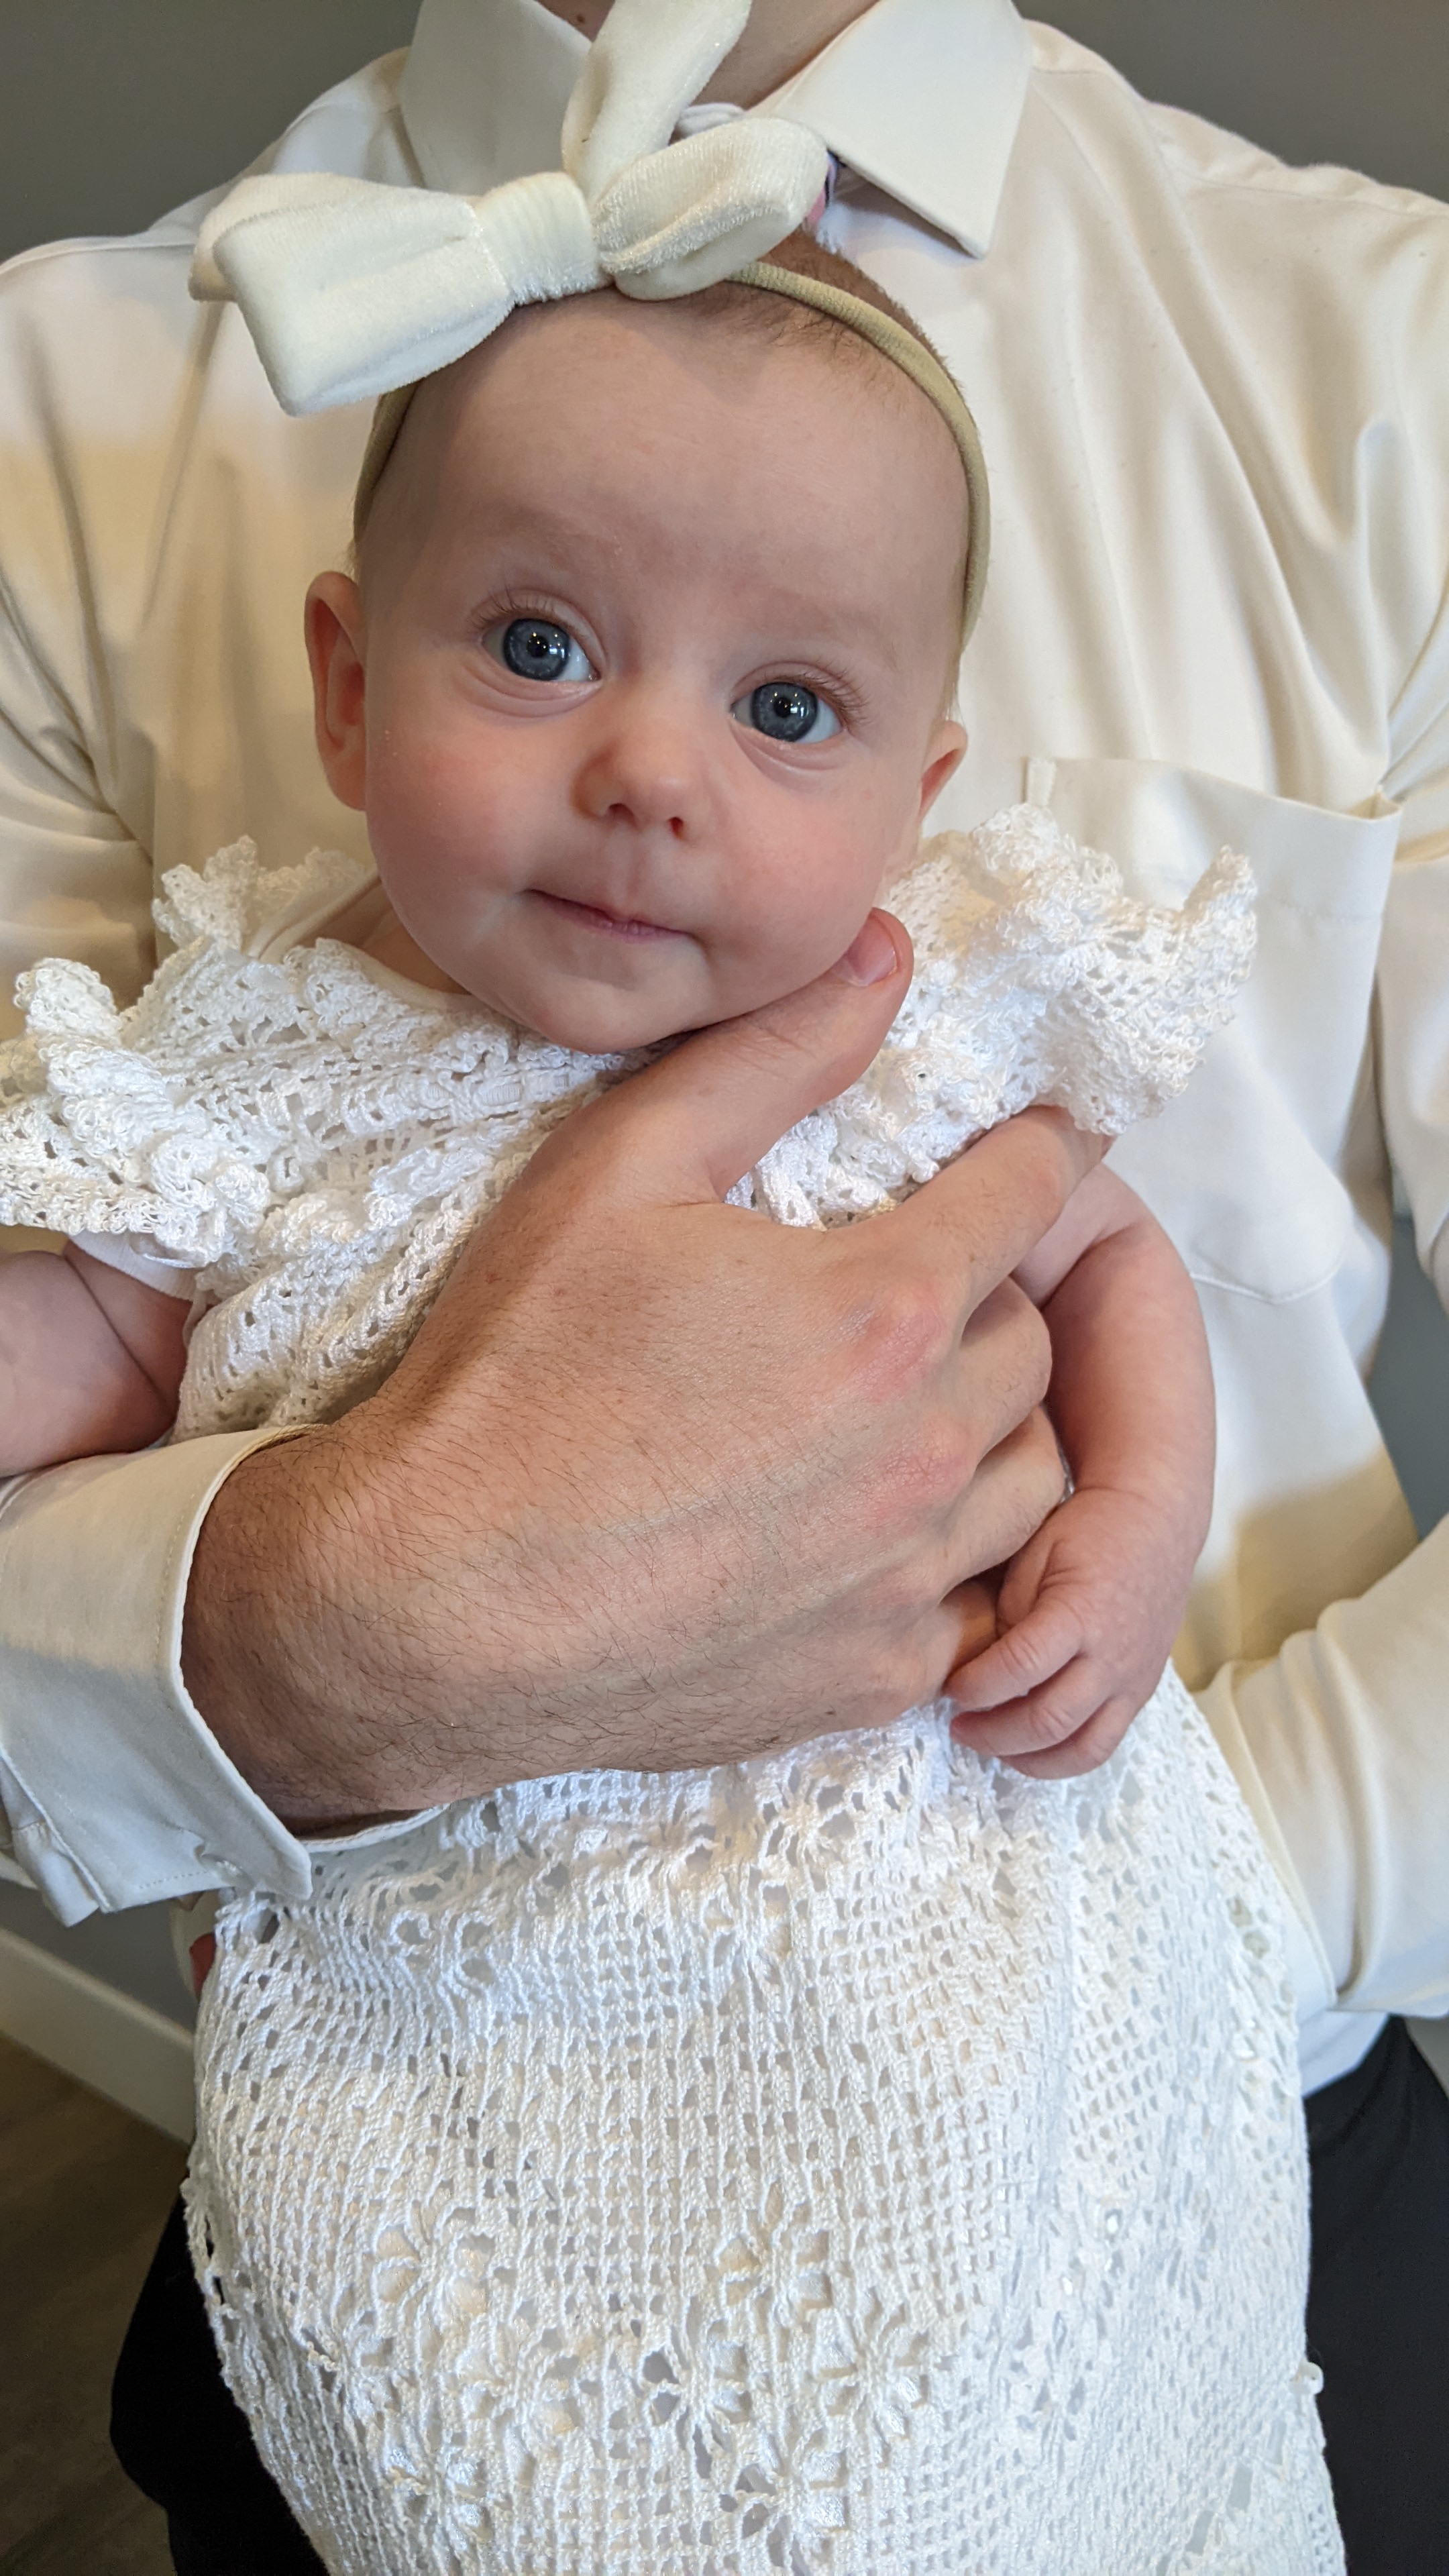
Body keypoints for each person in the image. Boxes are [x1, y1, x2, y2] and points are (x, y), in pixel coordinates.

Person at [0, 0, 1445, 2565]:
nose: (650, 776)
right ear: (347, 684)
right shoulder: (251, 1038)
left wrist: (1143, 1607)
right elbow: (83, 1337)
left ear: (921, 790)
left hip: (1133, 2015)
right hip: (462, 2061)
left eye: (785, 707)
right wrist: (287, 1636)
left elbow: (1117, 1269)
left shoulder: (956, 990)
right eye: (538, 650)